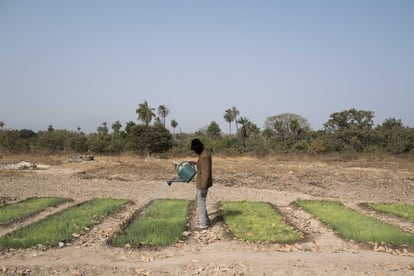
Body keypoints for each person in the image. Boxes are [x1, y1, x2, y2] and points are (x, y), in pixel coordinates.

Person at [190, 138, 212, 230]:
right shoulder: (203, 154)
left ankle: (203, 225)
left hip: (203, 184)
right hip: (201, 183)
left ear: (198, 148)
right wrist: (194, 163)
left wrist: (203, 187)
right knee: (199, 202)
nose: (194, 152)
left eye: (195, 150)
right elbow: (201, 166)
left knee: (201, 203)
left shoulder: (204, 156)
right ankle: (206, 220)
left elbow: (206, 172)